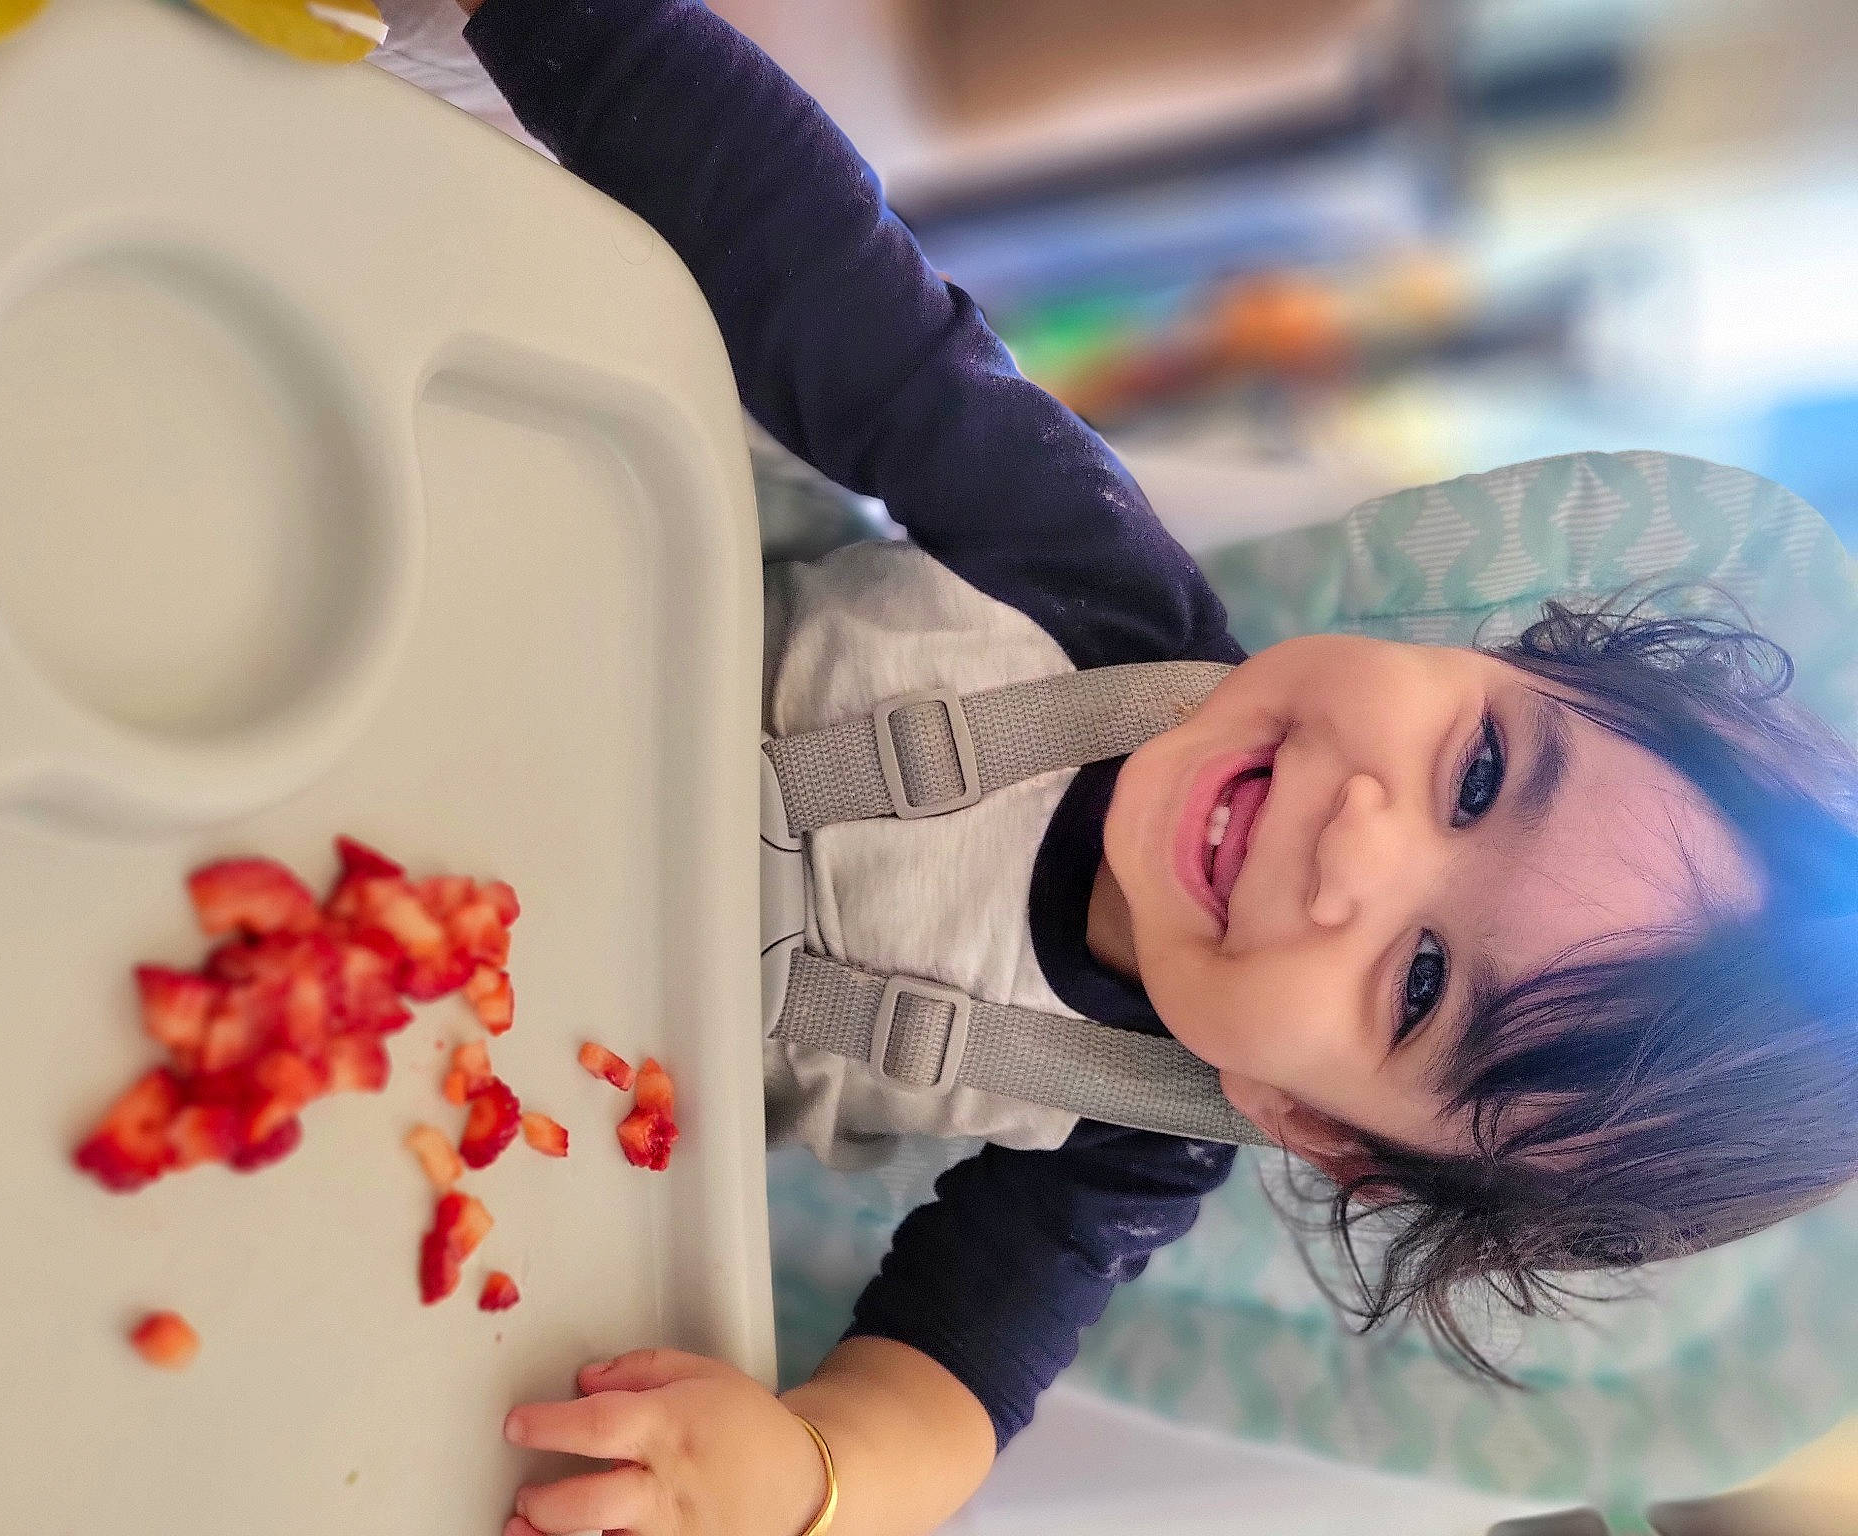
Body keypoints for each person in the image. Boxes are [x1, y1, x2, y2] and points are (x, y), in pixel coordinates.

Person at [454, 3, 1858, 1533]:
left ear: (1316, 1128)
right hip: (475, 613)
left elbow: (945, 1396)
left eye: (1419, 986)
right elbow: (811, 268)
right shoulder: (1094, 587)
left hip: (474, 1031)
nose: (1355, 847)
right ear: (1496, 651)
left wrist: (805, 1480)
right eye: (1476, 775)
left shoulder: (1129, 1139)